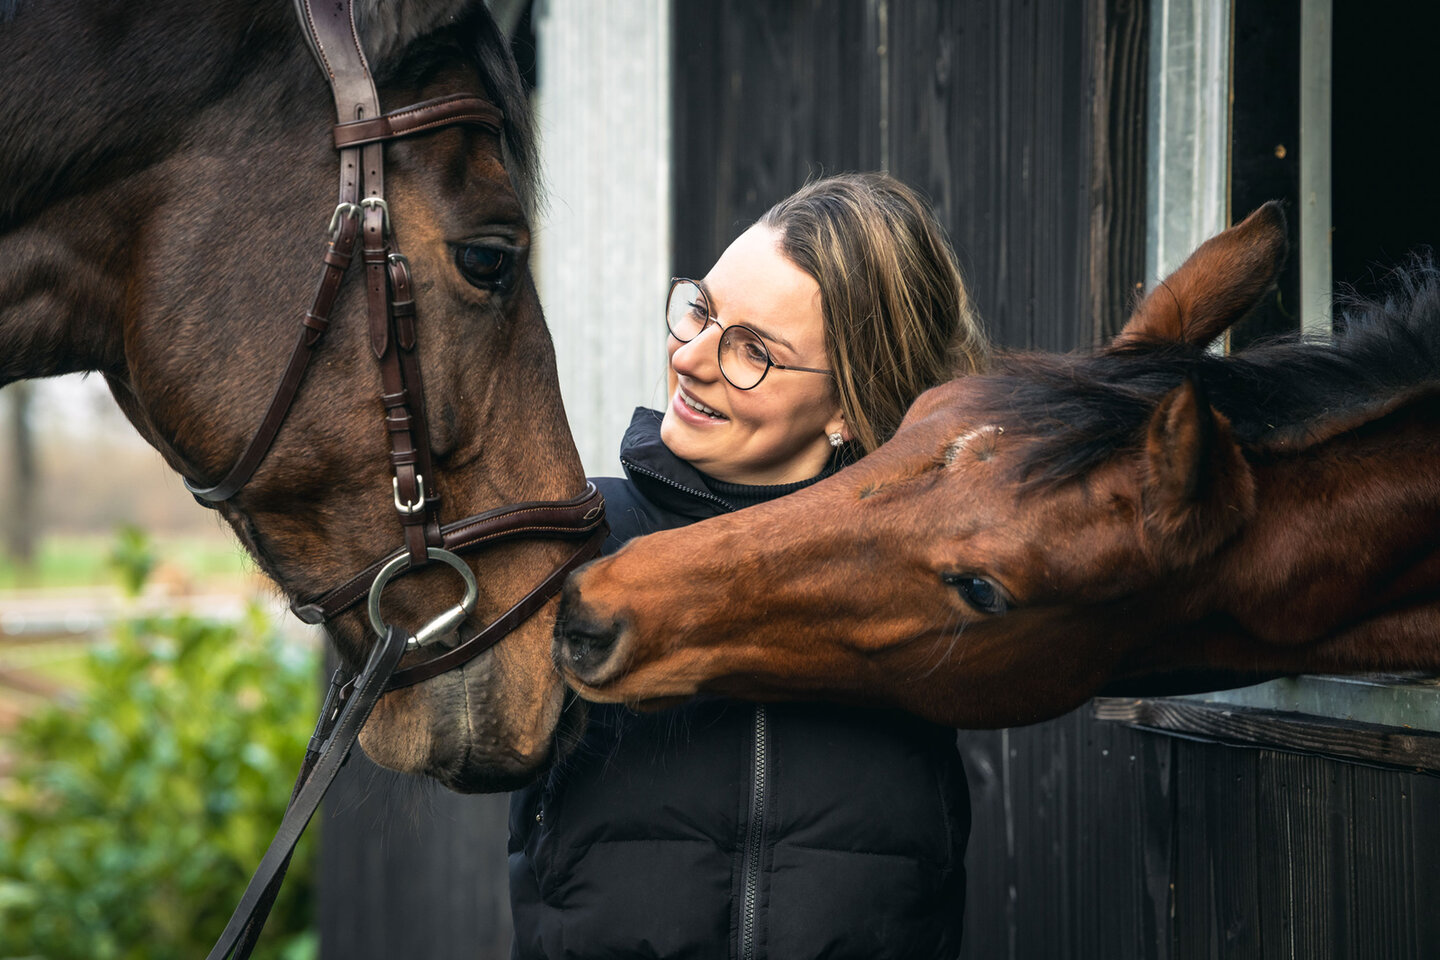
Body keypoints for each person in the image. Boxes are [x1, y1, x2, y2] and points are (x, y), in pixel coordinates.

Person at [509, 172, 990, 960]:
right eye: (701, 309)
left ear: (847, 403)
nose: (691, 356)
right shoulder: (579, 536)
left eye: (753, 352)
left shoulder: (924, 575)